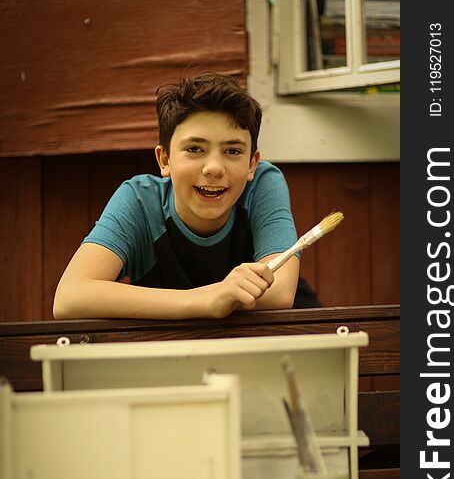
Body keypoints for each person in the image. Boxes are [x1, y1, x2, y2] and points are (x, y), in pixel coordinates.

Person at [53, 72, 303, 320]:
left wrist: (219, 299)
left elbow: (280, 291)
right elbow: (70, 296)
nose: (214, 168)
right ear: (165, 160)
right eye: (195, 149)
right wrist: (207, 299)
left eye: (233, 151)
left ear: (252, 164)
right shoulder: (140, 201)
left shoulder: (262, 185)